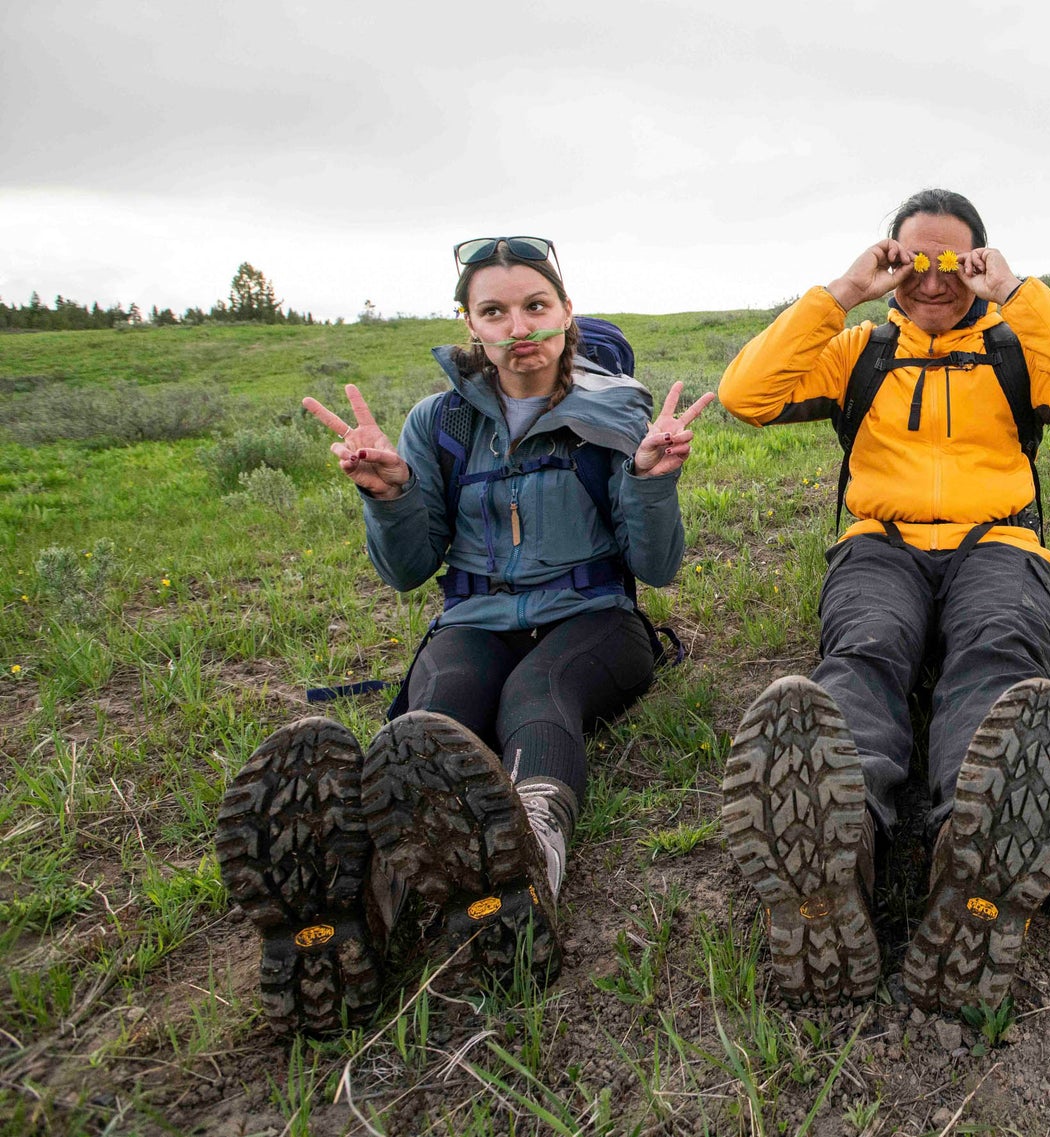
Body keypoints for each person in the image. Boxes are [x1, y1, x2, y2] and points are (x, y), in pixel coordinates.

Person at [214, 235, 713, 1036]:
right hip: (472, 619)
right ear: (470, 324)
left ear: (565, 312)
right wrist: (391, 496)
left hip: (595, 624)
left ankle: (531, 866)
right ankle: (357, 906)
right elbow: (410, 569)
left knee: (537, 694)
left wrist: (654, 482)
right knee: (434, 712)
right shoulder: (438, 422)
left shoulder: (619, 414)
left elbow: (656, 566)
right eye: (495, 310)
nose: (519, 325)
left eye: (535, 305)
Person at [716, 190, 1050, 1011]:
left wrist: (1017, 295)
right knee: (864, 649)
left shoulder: (1017, 348)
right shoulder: (859, 351)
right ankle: (840, 853)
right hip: (882, 542)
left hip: (998, 540)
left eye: (956, 263)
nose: (935, 281)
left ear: (981, 263)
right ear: (888, 260)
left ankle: (971, 853)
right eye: (913, 261)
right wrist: (841, 293)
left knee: (999, 647)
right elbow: (744, 395)